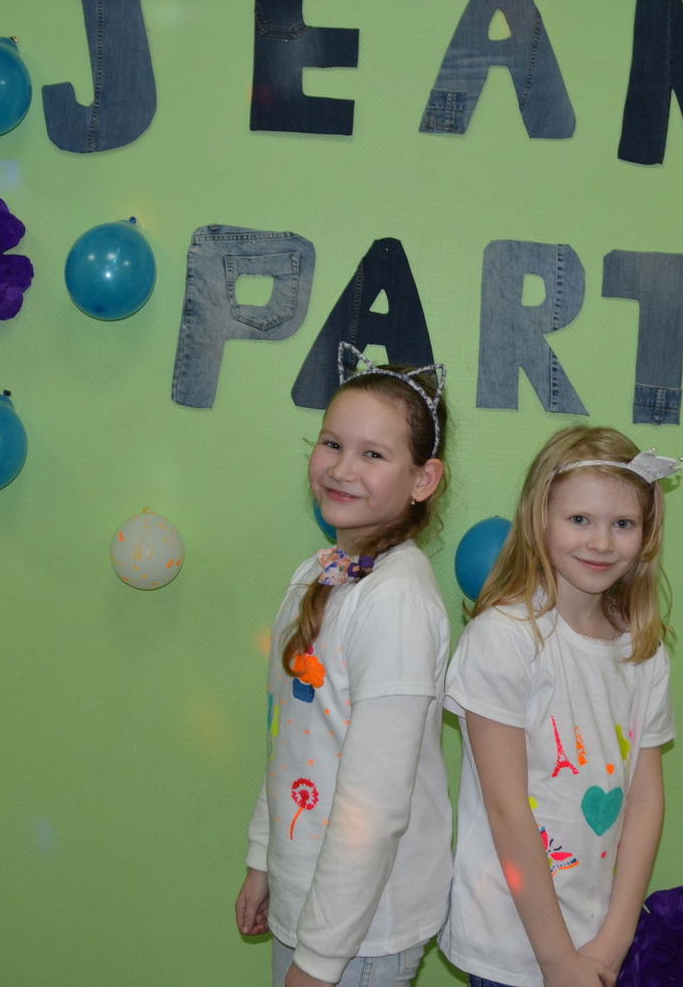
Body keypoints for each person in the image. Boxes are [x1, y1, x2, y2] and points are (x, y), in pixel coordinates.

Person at [236, 344, 453, 987]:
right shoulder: (319, 572)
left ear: (423, 480)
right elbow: (290, 741)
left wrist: (321, 960)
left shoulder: (397, 602)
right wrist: (264, 858)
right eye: (332, 444)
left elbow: (374, 805)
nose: (341, 468)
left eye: (373, 454)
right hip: (309, 901)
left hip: (361, 932)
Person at [441, 426, 680, 987]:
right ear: (539, 520)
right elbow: (507, 809)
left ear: (646, 533)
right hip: (512, 945)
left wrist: (614, 941)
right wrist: (556, 960)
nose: (601, 542)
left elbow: (646, 800)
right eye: (579, 519)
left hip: (595, 942)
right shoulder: (505, 637)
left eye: (623, 524)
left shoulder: (643, 651)